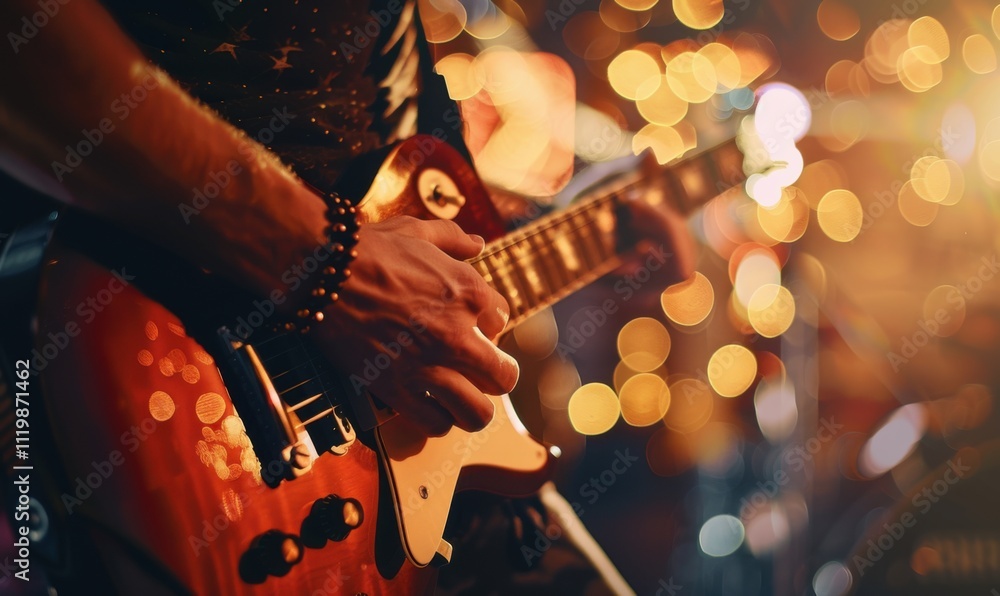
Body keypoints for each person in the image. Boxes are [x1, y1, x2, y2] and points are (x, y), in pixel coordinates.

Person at [0, 0, 694, 592]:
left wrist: (532, 225)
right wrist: (328, 265)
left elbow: (357, 143)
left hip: (400, 466)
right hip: (140, 395)